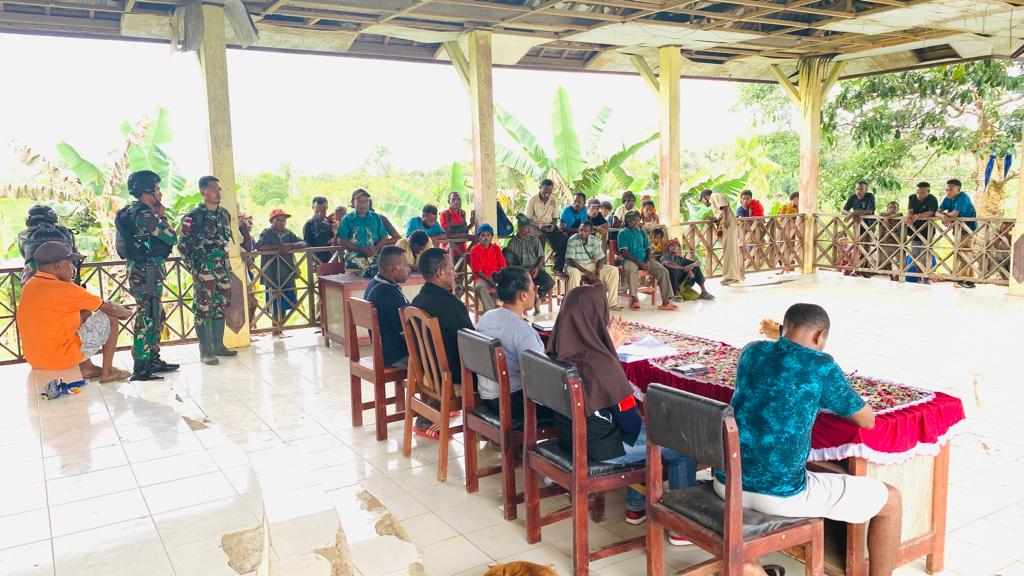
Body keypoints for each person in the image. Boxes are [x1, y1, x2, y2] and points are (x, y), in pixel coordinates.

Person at [717, 303, 901, 576]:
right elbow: (867, 420)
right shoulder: (821, 366)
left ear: (781, 329)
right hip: (781, 495)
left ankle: (750, 567)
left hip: (726, 483)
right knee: (891, 501)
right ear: (819, 336)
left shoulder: (751, 351)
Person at [547, 285, 695, 542]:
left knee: (645, 430)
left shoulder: (555, 351)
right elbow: (630, 425)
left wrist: (608, 350)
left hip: (571, 439)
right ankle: (681, 526)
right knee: (682, 444)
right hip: (605, 449)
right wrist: (610, 355)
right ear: (596, 317)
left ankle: (636, 507)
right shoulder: (601, 363)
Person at [16, 242, 133, 383]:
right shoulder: (64, 288)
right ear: (58, 266)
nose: (73, 267)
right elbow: (108, 307)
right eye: (70, 263)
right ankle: (108, 371)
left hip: (36, 360)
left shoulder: (30, 285)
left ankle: (86, 368)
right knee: (111, 316)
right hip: (59, 358)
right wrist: (126, 313)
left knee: (84, 310)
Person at [118, 170, 179, 381]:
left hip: (142, 269)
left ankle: (152, 358)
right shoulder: (145, 214)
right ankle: (141, 365)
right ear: (147, 191)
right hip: (146, 271)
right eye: (157, 189)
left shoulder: (132, 211)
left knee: (155, 314)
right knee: (147, 316)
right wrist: (162, 216)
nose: (160, 193)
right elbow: (171, 237)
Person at [410, 248, 474, 438]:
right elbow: (471, 343)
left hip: (428, 373)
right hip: (450, 377)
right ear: (439, 273)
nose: (454, 274)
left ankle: (430, 413)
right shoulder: (451, 305)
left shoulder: (417, 300)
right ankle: (485, 427)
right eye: (450, 269)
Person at [474, 266, 550, 420]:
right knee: (574, 403)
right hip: (514, 403)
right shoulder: (523, 332)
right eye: (532, 288)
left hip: (489, 398)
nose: (535, 292)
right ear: (523, 295)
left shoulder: (487, 317)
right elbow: (539, 378)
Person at [178, 175, 237, 365]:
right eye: (213, 189)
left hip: (223, 269)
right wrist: (195, 268)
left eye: (219, 189)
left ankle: (218, 345)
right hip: (204, 270)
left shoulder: (224, 214)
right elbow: (183, 246)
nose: (218, 193)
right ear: (203, 191)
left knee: (220, 306)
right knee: (203, 309)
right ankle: (205, 352)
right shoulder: (193, 216)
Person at [256, 209, 307, 337]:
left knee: (285, 302)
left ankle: (280, 329)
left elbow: (303, 243)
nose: (282, 222)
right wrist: (278, 248)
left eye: (284, 220)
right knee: (274, 303)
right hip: (272, 273)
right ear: (272, 221)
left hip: (287, 273)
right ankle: (275, 330)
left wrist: (291, 245)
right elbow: (260, 246)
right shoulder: (267, 233)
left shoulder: (288, 233)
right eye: (278, 220)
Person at [618, 211, 676, 311]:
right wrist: (639, 263)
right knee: (631, 271)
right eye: (633, 221)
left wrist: (648, 261)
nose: (636, 223)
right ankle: (634, 299)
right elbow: (624, 253)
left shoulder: (641, 231)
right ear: (628, 220)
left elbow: (648, 248)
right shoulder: (622, 233)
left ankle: (666, 302)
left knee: (663, 271)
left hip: (644, 258)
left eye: (637, 220)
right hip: (630, 259)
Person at [364, 246, 411, 368]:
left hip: (384, 352)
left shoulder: (373, 284)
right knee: (439, 362)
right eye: (406, 265)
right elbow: (407, 334)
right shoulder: (387, 293)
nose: (409, 269)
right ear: (394, 268)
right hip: (396, 357)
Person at [565, 220, 622, 310]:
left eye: (585, 231)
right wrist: (587, 272)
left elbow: (601, 258)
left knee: (613, 270)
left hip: (589, 264)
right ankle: (572, 305)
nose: (582, 233)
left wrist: (597, 271)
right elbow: (571, 260)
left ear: (590, 232)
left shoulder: (594, 240)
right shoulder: (572, 240)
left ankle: (612, 303)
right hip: (574, 266)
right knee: (574, 274)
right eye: (580, 230)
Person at [504, 215, 554, 316]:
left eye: (530, 227)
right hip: (521, 271)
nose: (529, 230)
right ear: (519, 228)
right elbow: (509, 263)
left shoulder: (535, 240)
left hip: (535, 269)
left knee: (549, 282)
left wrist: (537, 268)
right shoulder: (512, 243)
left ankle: (539, 297)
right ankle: (525, 307)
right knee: (521, 288)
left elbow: (541, 256)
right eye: (527, 227)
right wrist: (520, 273)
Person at [336, 189, 394, 277]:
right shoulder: (347, 219)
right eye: (359, 201)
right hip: (354, 260)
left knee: (381, 277)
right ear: (352, 203)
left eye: (366, 201)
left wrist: (376, 248)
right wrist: (360, 249)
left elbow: (384, 236)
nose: (363, 204)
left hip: (375, 258)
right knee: (358, 281)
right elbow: (341, 241)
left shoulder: (376, 217)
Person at [19, 204, 79, 285]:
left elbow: (25, 254)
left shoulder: (24, 234)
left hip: (35, 278)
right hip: (64, 276)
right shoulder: (66, 232)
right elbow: (74, 255)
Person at [938, 178, 977, 288]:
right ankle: (970, 280)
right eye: (946, 190)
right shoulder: (947, 199)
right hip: (958, 229)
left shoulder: (963, 197)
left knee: (964, 253)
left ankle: (962, 279)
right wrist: (943, 216)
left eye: (950, 190)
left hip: (968, 229)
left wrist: (945, 216)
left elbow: (955, 213)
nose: (948, 192)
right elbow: (937, 212)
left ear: (958, 189)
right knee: (962, 253)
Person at [701, 189, 744, 285]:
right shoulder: (715, 198)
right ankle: (733, 276)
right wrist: (715, 219)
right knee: (730, 251)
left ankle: (730, 277)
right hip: (729, 224)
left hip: (728, 225)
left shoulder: (714, 196)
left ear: (704, 197)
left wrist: (725, 220)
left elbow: (724, 207)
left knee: (729, 251)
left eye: (702, 200)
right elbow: (721, 212)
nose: (703, 203)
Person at [525, 179, 568, 274]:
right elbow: (527, 219)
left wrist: (553, 225)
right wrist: (538, 225)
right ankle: (539, 270)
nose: (546, 195)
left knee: (563, 238)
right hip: (535, 226)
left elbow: (555, 218)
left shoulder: (553, 200)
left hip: (549, 225)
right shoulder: (533, 200)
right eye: (544, 192)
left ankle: (557, 267)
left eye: (549, 192)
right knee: (540, 241)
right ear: (540, 188)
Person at [469, 224, 506, 313]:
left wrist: (498, 280)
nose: (485, 238)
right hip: (483, 278)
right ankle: (491, 313)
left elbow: (502, 266)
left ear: (491, 237)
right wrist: (490, 281)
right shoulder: (474, 250)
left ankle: (508, 314)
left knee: (510, 286)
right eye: (483, 235)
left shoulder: (496, 248)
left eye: (488, 235)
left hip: (496, 277)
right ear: (479, 237)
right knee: (480, 287)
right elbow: (478, 272)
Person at [906, 182, 938, 282]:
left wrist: (918, 216)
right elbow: (910, 210)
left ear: (928, 191)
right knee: (915, 255)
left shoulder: (932, 199)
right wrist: (909, 216)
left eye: (922, 193)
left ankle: (927, 278)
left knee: (925, 256)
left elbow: (931, 212)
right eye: (918, 192)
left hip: (927, 231)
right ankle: (920, 278)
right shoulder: (912, 197)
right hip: (915, 230)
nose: (919, 195)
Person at [439, 191, 474, 258]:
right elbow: (448, 235)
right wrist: (468, 236)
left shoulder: (463, 213)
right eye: (453, 199)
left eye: (459, 199)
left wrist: (471, 224)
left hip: (463, 250)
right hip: (449, 252)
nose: (456, 201)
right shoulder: (444, 215)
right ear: (448, 202)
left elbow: (463, 231)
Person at [303, 197, 336, 265]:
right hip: (317, 262)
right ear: (313, 208)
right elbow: (307, 245)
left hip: (334, 259)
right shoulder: (309, 224)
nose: (320, 214)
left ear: (327, 208)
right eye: (317, 211)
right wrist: (313, 261)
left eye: (323, 211)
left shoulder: (331, 222)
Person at [877, 201, 902, 278]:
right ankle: (891, 275)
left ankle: (898, 275)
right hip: (886, 241)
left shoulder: (899, 217)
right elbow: (881, 214)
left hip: (897, 242)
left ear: (898, 209)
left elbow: (900, 214)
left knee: (899, 261)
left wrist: (888, 217)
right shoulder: (883, 216)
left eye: (894, 208)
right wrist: (887, 217)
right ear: (887, 209)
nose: (892, 209)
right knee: (887, 260)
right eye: (890, 207)